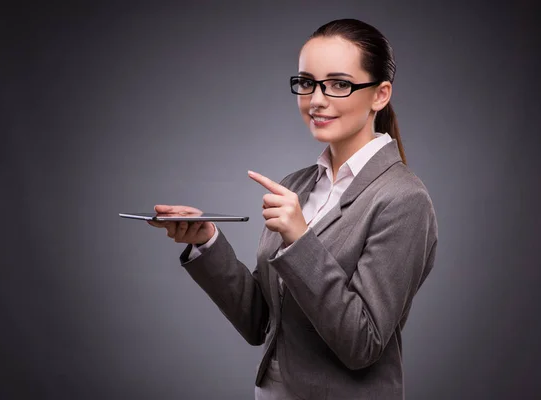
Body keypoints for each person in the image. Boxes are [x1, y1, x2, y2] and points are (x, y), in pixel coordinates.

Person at [148, 18, 438, 400]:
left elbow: (362, 345)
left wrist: (300, 240)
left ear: (380, 94)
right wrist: (208, 242)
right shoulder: (297, 185)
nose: (316, 99)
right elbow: (261, 323)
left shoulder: (403, 199)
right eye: (306, 82)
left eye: (338, 84)